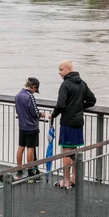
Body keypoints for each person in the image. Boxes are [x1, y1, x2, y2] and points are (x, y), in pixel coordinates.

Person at [50, 60, 96, 189]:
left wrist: (53, 114)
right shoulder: (82, 83)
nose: (59, 72)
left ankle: (65, 181)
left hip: (67, 122)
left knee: (66, 151)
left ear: (68, 70)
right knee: (75, 150)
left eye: (61, 69)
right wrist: (80, 107)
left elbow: (61, 105)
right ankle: (74, 178)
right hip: (78, 122)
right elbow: (92, 100)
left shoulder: (65, 85)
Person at [14, 77, 47, 180]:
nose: (34, 92)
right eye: (35, 90)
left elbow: (18, 111)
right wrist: (41, 114)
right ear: (33, 87)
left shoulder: (18, 95)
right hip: (31, 127)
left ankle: (19, 169)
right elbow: (34, 112)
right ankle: (30, 172)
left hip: (22, 125)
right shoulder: (30, 96)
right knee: (30, 149)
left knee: (21, 147)